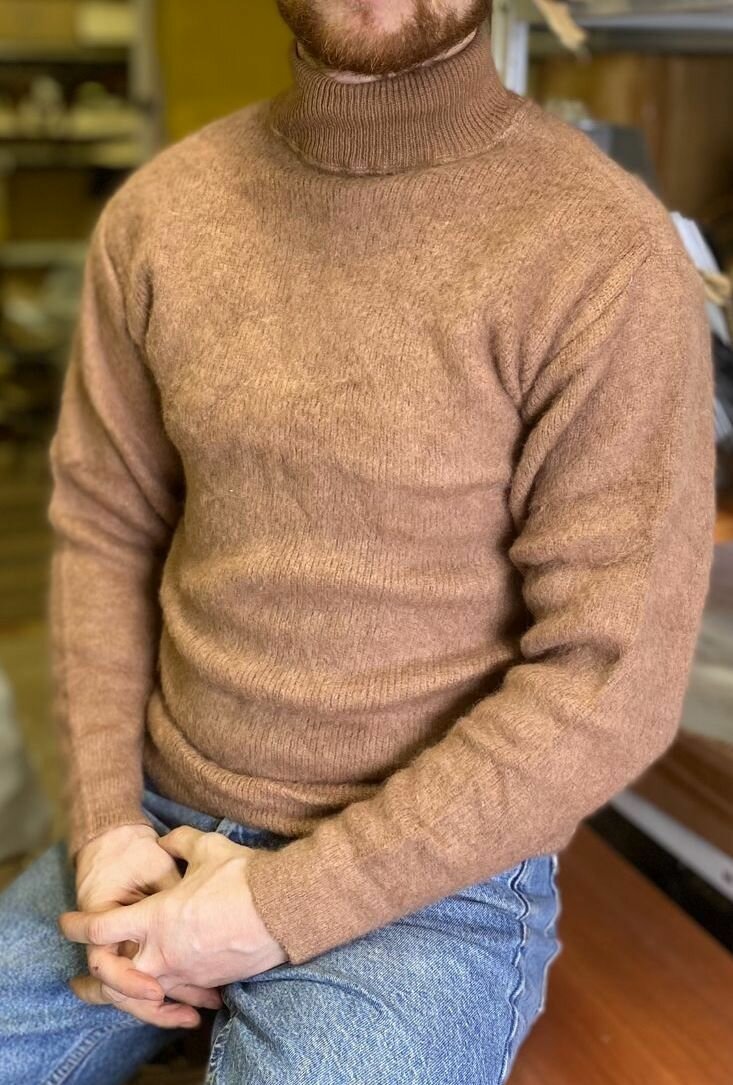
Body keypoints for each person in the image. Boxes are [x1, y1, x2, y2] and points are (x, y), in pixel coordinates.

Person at [0, 1, 717, 1082]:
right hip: (156, 821)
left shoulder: (602, 248)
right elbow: (107, 531)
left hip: (427, 880)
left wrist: (279, 904)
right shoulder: (161, 216)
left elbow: (607, 674)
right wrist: (105, 824)